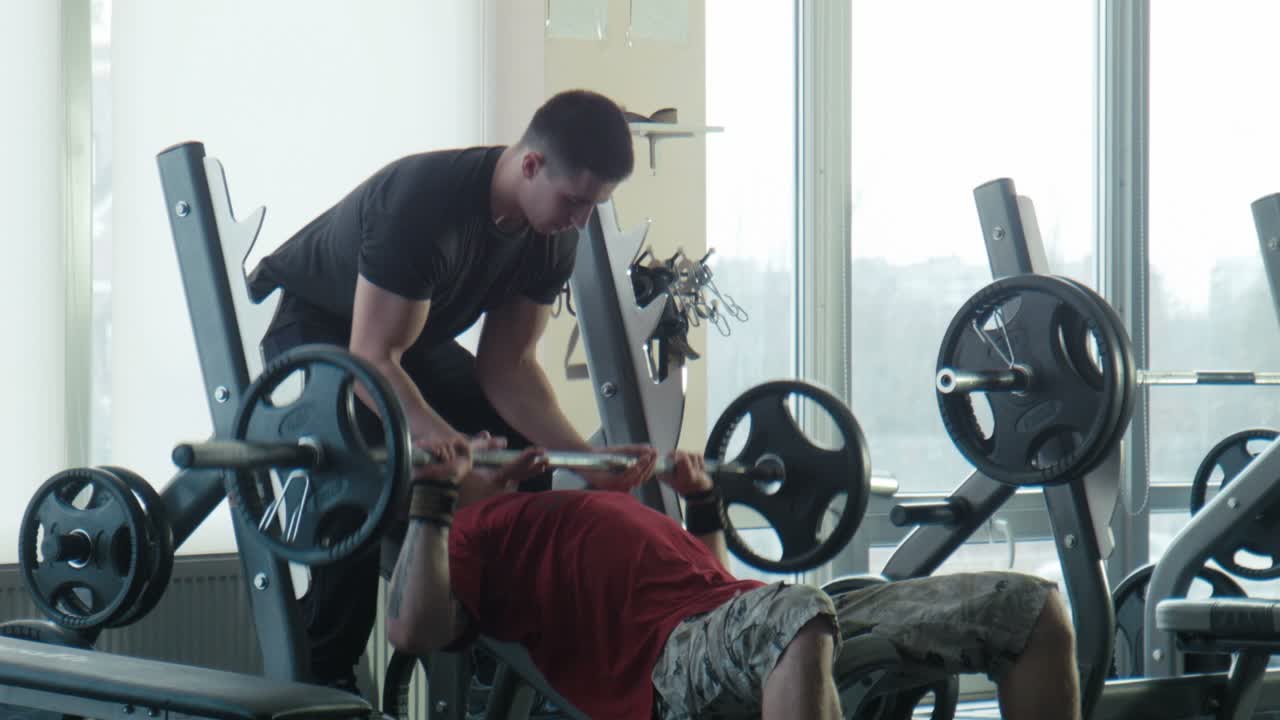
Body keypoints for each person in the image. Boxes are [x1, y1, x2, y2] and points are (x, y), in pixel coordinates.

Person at [247, 89, 658, 691]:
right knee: (356, 474)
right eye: (574, 201)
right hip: (321, 330)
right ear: (530, 165)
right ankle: (325, 675)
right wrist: (449, 448)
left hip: (409, 340)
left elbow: (510, 366)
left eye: (594, 206)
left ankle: (496, 642)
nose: (580, 220)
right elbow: (372, 359)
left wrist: (590, 461)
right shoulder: (422, 207)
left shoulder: (553, 235)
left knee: (526, 456)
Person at [386, 438, 1083, 720]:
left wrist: (702, 500)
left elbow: (713, 580)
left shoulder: (563, 504)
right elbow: (412, 628)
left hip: (736, 617)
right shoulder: (467, 532)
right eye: (460, 446)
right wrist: (434, 499)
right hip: (663, 663)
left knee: (1024, 606)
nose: (480, 444)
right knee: (794, 615)